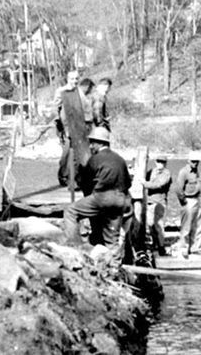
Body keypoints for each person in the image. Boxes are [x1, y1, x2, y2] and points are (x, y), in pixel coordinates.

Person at [63, 127, 132, 263]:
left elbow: (86, 184)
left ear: (99, 143)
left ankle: (75, 249)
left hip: (102, 197)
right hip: (120, 200)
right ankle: (114, 267)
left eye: (93, 143)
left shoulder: (95, 159)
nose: (91, 146)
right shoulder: (120, 160)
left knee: (70, 211)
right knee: (112, 238)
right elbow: (127, 184)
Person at [54, 70, 90, 188]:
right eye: (72, 79)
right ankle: (63, 175)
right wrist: (61, 128)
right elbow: (56, 108)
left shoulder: (79, 92)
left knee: (75, 153)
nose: (75, 81)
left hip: (78, 125)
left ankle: (73, 177)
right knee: (67, 152)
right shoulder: (61, 91)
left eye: (76, 79)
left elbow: (85, 107)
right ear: (68, 79)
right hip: (66, 126)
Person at [173, 152, 201, 258]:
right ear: (189, 161)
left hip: (197, 200)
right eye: (193, 161)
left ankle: (196, 248)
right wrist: (184, 202)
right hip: (188, 201)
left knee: (198, 226)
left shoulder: (196, 172)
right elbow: (178, 189)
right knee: (186, 227)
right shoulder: (183, 172)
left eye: (197, 162)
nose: (195, 164)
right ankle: (184, 248)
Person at [142, 155, 172, 256]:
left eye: (163, 162)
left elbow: (159, 184)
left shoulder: (166, 173)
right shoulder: (151, 172)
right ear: (155, 162)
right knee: (150, 225)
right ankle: (154, 243)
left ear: (165, 163)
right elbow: (142, 177)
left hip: (160, 202)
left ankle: (161, 247)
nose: (160, 164)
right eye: (159, 162)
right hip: (150, 202)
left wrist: (145, 183)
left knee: (159, 225)